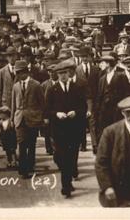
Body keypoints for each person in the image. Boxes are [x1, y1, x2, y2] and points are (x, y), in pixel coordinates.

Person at [44, 59, 87, 198]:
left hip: (74, 129)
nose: (63, 75)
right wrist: (57, 114)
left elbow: (83, 107)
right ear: (56, 74)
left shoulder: (76, 87)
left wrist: (75, 112)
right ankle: (66, 186)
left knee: (72, 157)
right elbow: (47, 110)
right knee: (61, 157)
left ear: (68, 73)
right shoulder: (52, 89)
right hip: (59, 130)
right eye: (60, 73)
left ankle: (67, 182)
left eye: (65, 73)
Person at [11, 61, 44, 178]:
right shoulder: (15, 86)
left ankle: (30, 165)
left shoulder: (36, 85)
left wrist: (41, 117)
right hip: (19, 118)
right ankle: (23, 169)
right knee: (21, 144)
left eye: (20, 73)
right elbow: (13, 104)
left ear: (26, 72)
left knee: (31, 144)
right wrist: (11, 119)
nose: (18, 75)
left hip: (33, 118)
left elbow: (42, 103)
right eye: (17, 73)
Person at [93, 55, 130, 146]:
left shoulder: (120, 76)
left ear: (108, 64)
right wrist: (97, 111)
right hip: (104, 111)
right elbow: (99, 96)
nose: (101, 64)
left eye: (103, 62)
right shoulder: (102, 79)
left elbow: (127, 93)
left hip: (117, 110)